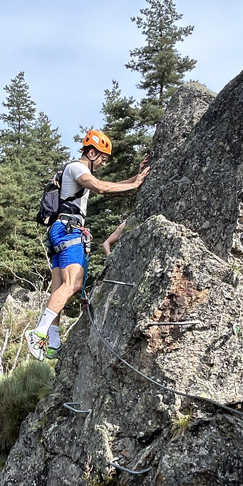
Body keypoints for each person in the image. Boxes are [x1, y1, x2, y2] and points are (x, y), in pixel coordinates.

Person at [27, 130, 149, 361]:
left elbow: (105, 184)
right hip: (68, 230)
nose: (103, 162)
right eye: (102, 157)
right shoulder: (77, 168)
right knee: (74, 284)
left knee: (59, 289)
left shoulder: (73, 172)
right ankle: (38, 333)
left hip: (59, 231)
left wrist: (135, 179)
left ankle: (53, 342)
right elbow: (101, 187)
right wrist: (133, 186)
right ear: (91, 152)